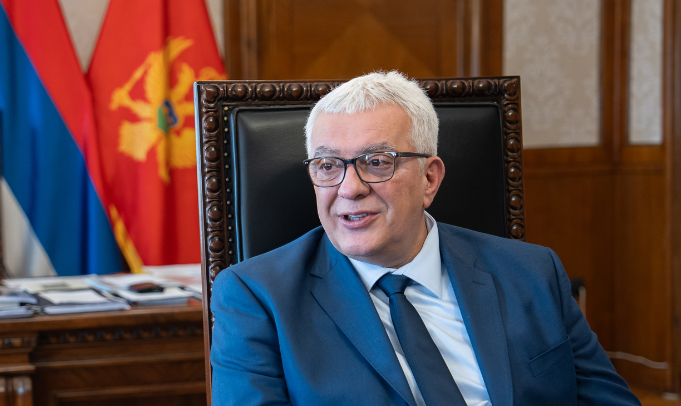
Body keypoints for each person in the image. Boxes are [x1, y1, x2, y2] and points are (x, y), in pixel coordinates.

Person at [210, 71, 641, 405]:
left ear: (429, 179)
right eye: (327, 165)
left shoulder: (531, 273)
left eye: (376, 162)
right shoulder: (257, 297)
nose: (349, 188)